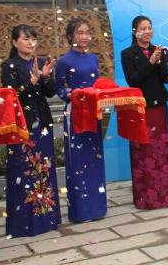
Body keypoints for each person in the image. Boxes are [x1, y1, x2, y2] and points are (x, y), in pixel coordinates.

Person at [0, 25, 61, 236]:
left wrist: (45, 77)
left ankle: (46, 218)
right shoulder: (9, 66)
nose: (30, 42)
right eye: (25, 38)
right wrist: (32, 80)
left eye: (33, 38)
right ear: (14, 42)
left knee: (44, 168)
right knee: (23, 170)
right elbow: (11, 95)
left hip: (42, 120)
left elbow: (51, 92)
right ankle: (24, 222)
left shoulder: (41, 62)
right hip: (22, 124)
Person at [55, 18, 107, 221]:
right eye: (79, 33)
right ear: (70, 36)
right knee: (77, 159)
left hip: (94, 112)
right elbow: (60, 90)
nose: (84, 37)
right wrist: (76, 94)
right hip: (75, 113)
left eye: (87, 32)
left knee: (95, 156)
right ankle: (80, 211)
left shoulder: (93, 59)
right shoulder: (64, 62)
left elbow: (97, 84)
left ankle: (97, 208)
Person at [120, 16, 168, 208]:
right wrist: (150, 62)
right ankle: (146, 198)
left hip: (159, 105)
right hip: (140, 107)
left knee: (161, 149)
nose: (147, 31)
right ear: (134, 32)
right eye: (142, 28)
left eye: (149, 28)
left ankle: (165, 195)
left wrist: (158, 62)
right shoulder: (128, 53)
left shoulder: (159, 51)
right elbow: (133, 80)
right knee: (143, 150)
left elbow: (166, 78)